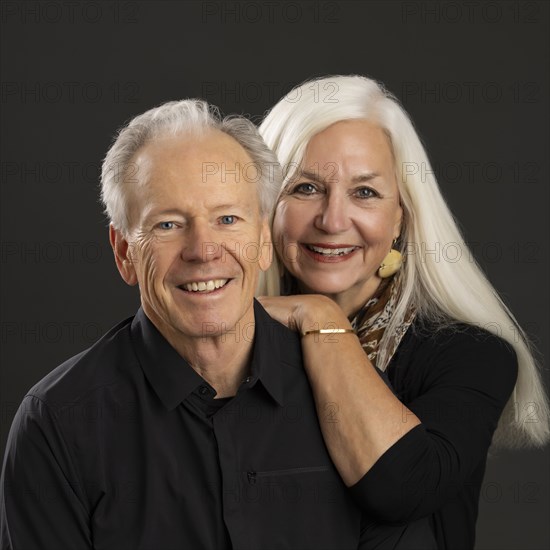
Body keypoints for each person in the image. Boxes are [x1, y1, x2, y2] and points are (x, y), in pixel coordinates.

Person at [0, 99, 436, 549]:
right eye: (169, 225)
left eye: (228, 219)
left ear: (264, 240)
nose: (204, 250)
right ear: (124, 252)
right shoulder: (58, 423)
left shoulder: (348, 396)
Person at [256, 75, 550, 550]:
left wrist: (321, 320)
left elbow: (402, 487)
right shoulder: (228, 342)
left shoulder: (473, 355)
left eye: (365, 193)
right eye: (306, 187)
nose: (332, 221)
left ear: (400, 217)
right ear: (266, 205)